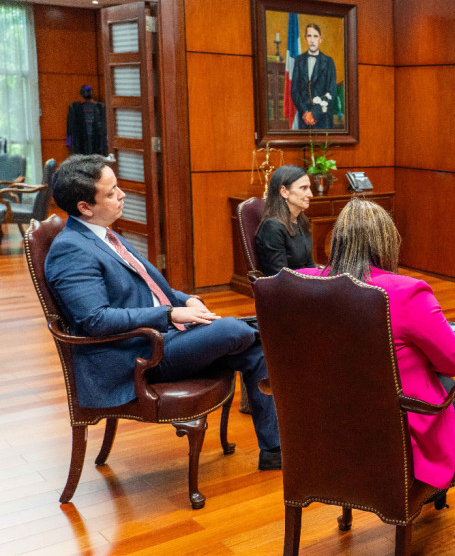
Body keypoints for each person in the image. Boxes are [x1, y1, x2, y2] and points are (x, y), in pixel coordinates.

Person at [44, 155, 281, 470]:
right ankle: (260, 329)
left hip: (161, 338)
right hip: (136, 356)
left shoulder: (101, 233)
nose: (122, 195)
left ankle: (275, 452)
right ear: (85, 207)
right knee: (234, 331)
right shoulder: (71, 249)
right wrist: (170, 315)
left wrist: (186, 301)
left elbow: (144, 286)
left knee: (255, 349)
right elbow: (95, 320)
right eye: (112, 192)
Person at [297, 198, 455, 490]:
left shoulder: (305, 284)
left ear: (336, 241)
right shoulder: (408, 293)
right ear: (387, 243)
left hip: (330, 426)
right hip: (399, 432)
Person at [255, 165, 316, 276]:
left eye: (309, 188)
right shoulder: (272, 227)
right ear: (284, 192)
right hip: (284, 289)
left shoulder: (302, 222)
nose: (310, 194)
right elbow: (281, 276)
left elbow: (310, 265)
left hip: (304, 285)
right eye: (303, 188)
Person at [289, 23, 337, 130]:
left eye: (315, 36)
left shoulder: (328, 61)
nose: (312, 40)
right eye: (309, 36)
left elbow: (332, 92)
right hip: (304, 119)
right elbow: (295, 91)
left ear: (320, 39)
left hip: (323, 120)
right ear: (305, 38)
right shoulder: (298, 60)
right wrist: (305, 112)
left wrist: (315, 113)